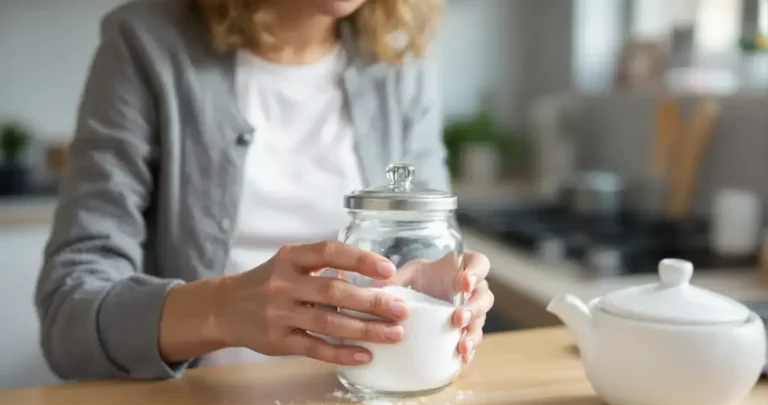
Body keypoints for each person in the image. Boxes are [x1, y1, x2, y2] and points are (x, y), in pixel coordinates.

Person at [35, 0, 494, 381]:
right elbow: (67, 316)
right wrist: (221, 309)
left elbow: (429, 251)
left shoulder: (399, 60)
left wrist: (447, 286)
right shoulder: (144, 44)